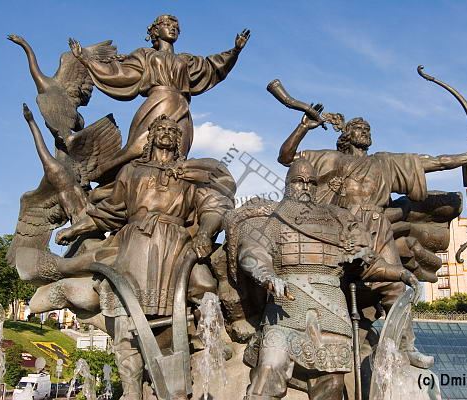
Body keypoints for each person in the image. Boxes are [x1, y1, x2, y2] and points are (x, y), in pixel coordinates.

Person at [278, 111, 467, 369]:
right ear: (346, 135)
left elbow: (433, 162)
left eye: (367, 128)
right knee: (324, 283)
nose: (365, 131)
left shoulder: (385, 162)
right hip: (337, 227)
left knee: (394, 287)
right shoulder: (327, 158)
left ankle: (406, 347)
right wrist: (303, 127)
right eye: (358, 127)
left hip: (377, 227)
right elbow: (286, 157)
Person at [55, 114, 235, 400]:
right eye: (160, 129)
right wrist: (74, 229)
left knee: (204, 285)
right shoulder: (132, 171)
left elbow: (213, 206)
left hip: (175, 243)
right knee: (124, 311)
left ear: (179, 141)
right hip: (135, 243)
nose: (166, 133)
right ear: (151, 137)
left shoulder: (190, 173)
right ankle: (131, 389)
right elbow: (110, 211)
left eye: (172, 131)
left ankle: (210, 339)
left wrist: (204, 233)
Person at [236, 158, 419, 400]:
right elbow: (252, 251)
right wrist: (266, 275)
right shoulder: (273, 218)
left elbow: (369, 263)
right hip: (286, 308)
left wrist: (400, 273)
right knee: (270, 366)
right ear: (287, 184)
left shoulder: (339, 218)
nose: (305, 187)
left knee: (331, 385)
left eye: (311, 182)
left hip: (332, 313)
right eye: (298, 181)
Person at [69, 14, 250, 167]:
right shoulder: (145, 55)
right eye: (167, 25)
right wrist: (86, 60)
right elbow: (121, 74)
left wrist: (235, 51)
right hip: (157, 104)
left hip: (182, 107)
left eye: (176, 27)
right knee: (139, 150)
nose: (173, 29)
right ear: (155, 31)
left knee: (178, 158)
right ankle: (109, 176)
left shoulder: (186, 60)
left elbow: (211, 67)